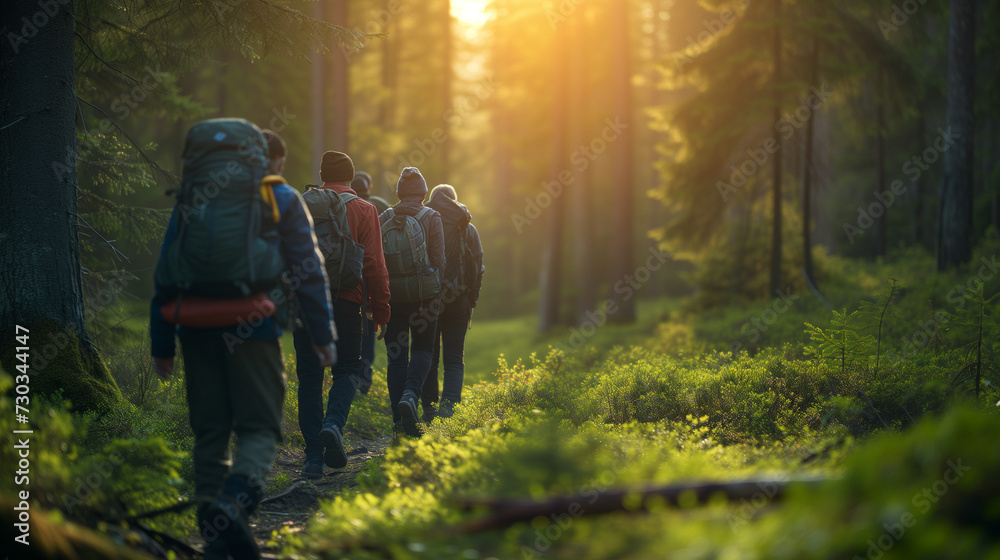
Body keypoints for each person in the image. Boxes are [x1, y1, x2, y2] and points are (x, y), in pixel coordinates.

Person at [150, 125, 337, 560]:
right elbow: (308, 270)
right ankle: (233, 507)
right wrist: (323, 336)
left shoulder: (192, 196)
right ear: (262, 157)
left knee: (210, 433)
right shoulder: (281, 196)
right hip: (254, 327)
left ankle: (215, 533)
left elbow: (164, 271)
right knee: (260, 427)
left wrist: (162, 346)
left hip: (194, 327)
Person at [294, 153, 390, 479]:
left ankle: (312, 460)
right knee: (348, 369)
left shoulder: (302, 203)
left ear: (321, 176)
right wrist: (381, 309)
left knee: (309, 377)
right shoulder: (365, 209)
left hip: (306, 303)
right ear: (351, 178)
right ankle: (333, 425)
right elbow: (375, 265)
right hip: (349, 303)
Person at [380, 167, 444, 436]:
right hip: (424, 296)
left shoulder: (384, 216)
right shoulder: (431, 217)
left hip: (392, 296)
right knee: (423, 350)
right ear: (423, 193)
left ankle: (399, 420)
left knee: (396, 357)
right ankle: (410, 395)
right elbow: (439, 260)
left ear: (398, 193)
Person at [420, 185, 484, 421]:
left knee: (429, 355)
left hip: (428, 299)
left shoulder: (424, 222)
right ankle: (449, 411)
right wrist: (471, 301)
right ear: (455, 203)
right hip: (459, 300)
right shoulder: (468, 228)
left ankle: (428, 409)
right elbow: (478, 267)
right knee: (454, 359)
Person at [350, 171, 391, 395]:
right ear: (370, 187)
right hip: (372, 275)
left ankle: (349, 376)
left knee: (349, 329)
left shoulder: (341, 205)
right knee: (367, 330)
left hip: (346, 278)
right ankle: (364, 379)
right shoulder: (379, 206)